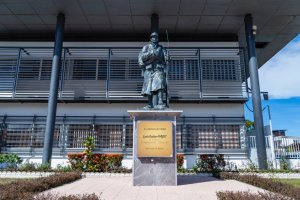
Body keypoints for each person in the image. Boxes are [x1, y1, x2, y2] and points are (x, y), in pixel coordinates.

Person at [138, 32, 169, 109]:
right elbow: (142, 56)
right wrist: (151, 53)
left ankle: (160, 102)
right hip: (149, 69)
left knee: (160, 83)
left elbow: (165, 58)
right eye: (153, 37)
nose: (154, 38)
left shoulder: (161, 48)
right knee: (148, 86)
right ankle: (149, 104)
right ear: (150, 38)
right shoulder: (146, 47)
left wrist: (167, 58)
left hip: (158, 68)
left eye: (156, 37)